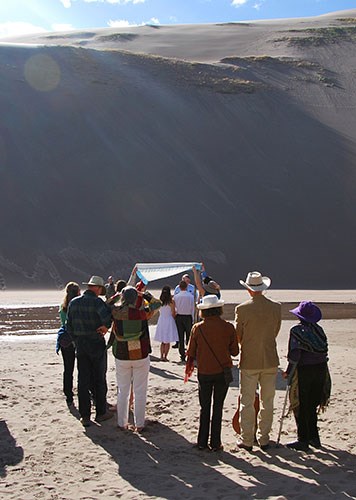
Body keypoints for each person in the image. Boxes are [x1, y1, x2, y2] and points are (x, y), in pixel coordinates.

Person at [235, 271, 281, 451]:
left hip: (249, 360)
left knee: (247, 400)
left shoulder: (242, 309)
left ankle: (247, 439)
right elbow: (275, 331)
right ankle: (264, 438)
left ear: (248, 289)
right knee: (267, 401)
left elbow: (239, 335)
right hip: (270, 358)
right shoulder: (275, 307)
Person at [186, 294, 239, 451]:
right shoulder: (228, 327)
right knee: (218, 406)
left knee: (205, 407)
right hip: (223, 371)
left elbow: (191, 352)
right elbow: (235, 352)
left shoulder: (198, 328)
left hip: (204, 372)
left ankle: (202, 442)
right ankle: (216, 442)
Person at [110, 286, 161, 431]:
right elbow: (157, 303)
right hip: (141, 354)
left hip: (122, 354)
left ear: (123, 298)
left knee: (123, 390)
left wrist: (116, 296)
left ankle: (122, 423)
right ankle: (139, 424)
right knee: (140, 390)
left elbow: (106, 304)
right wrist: (144, 294)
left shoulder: (116, 312)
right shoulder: (142, 313)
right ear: (135, 298)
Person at [66, 275, 113, 427]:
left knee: (83, 380)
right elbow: (108, 319)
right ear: (98, 288)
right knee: (99, 378)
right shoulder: (97, 302)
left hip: (81, 344)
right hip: (96, 343)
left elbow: (68, 326)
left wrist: (76, 339)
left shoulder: (74, 302)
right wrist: (106, 327)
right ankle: (101, 413)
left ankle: (85, 416)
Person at [284, 301, 330, 452]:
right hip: (321, 370)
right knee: (312, 405)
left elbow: (295, 355)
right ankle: (314, 438)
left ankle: (303, 439)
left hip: (305, 371)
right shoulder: (319, 330)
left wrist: (288, 371)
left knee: (301, 405)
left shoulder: (297, 331)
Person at [56, 281, 80, 407]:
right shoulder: (77, 306)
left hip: (65, 340)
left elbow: (63, 323)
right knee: (83, 368)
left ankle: (68, 395)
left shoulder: (62, 307)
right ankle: (87, 392)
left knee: (68, 369)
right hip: (78, 338)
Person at [154, 286, 179, 361]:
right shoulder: (171, 302)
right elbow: (173, 312)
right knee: (167, 340)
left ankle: (161, 356)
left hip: (161, 319)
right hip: (169, 319)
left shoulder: (159, 301)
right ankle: (165, 357)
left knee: (162, 341)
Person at [174, 280, 195, 362]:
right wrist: (192, 318)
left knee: (180, 336)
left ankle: (182, 354)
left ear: (179, 287)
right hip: (188, 316)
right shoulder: (190, 296)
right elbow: (192, 309)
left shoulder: (176, 296)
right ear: (186, 287)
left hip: (179, 316)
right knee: (189, 336)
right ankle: (190, 352)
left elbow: (175, 308)